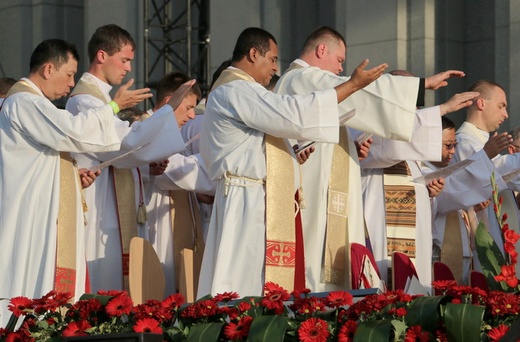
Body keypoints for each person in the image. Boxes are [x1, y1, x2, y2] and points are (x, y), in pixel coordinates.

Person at [197, 27, 389, 298]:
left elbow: (257, 143)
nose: (275, 69)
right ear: (254, 54)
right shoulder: (236, 89)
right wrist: (351, 86)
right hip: (246, 198)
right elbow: (289, 115)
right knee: (244, 282)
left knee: (258, 280)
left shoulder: (241, 90)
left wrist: (290, 155)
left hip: (256, 195)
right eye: (273, 59)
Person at [275, 27, 465, 292]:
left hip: (320, 191)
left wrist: (350, 146)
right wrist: (423, 86)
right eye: (340, 60)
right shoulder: (304, 78)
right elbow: (362, 93)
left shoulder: (300, 81)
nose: (341, 68)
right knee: (315, 273)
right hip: (314, 197)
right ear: (321, 50)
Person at [0, 39, 139, 325]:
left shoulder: (32, 103)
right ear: (49, 69)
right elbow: (72, 131)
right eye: (69, 75)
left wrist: (72, 180)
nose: (71, 83)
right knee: (28, 283)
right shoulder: (24, 101)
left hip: (40, 213)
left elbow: (40, 162)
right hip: (30, 217)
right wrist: (112, 106)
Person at [66, 24, 192, 293]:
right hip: (99, 208)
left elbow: (119, 153)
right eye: (124, 60)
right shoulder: (83, 102)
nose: (128, 69)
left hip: (113, 206)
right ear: (102, 56)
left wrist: (147, 167)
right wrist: (166, 112)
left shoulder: (101, 100)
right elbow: (121, 145)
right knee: (104, 285)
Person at [144, 71, 215, 298]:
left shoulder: (171, 132)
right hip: (154, 220)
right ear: (168, 103)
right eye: (188, 108)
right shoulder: (143, 128)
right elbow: (172, 172)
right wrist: (223, 173)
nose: (193, 116)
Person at [452, 80, 520, 270]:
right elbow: (500, 172)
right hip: (473, 240)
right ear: (481, 103)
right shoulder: (464, 142)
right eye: (501, 106)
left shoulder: (479, 141)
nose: (506, 114)